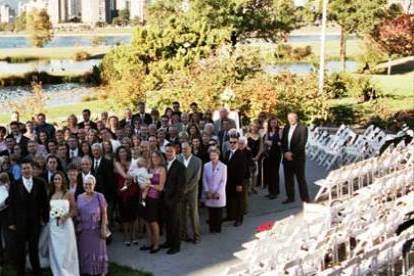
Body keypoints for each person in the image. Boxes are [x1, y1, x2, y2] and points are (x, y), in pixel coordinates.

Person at [7, 160, 49, 276]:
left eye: (28, 168)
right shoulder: (15, 184)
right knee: (20, 250)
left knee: (33, 249)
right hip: (19, 223)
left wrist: (45, 219)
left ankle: (37, 272)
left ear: (32, 169)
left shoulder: (40, 183)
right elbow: (11, 204)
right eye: (24, 168)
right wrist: (11, 222)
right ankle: (21, 272)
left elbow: (44, 203)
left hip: (35, 222)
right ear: (21, 170)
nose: (26, 170)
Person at [48, 171, 79, 276]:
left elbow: (75, 210)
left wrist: (66, 216)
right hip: (54, 227)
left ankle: (70, 272)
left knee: (67, 250)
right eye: (55, 179)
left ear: (63, 180)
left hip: (66, 225)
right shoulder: (50, 193)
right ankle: (58, 272)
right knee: (57, 249)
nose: (57, 181)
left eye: (59, 179)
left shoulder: (68, 193)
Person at [76, 175, 108, 275]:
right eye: (86, 184)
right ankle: (87, 271)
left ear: (94, 185)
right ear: (83, 185)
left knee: (98, 252)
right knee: (85, 251)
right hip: (84, 230)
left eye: (90, 184)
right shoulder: (79, 197)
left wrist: (103, 227)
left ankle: (100, 271)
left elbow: (104, 213)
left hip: (97, 229)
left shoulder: (99, 196)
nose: (88, 186)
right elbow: (77, 212)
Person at [140, 151, 166, 254]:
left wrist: (149, 185)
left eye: (156, 157)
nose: (154, 158)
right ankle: (150, 242)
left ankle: (156, 244)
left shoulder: (162, 169)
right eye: (152, 156)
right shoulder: (149, 169)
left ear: (160, 158)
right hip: (145, 197)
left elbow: (160, 187)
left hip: (154, 199)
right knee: (146, 221)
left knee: (153, 222)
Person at [161, 144, 185, 255]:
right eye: (167, 151)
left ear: (175, 152)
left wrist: (175, 201)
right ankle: (169, 242)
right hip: (164, 199)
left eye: (170, 151)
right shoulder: (164, 165)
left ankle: (176, 245)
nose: (168, 153)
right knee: (168, 222)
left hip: (175, 200)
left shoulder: (180, 166)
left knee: (175, 223)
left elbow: (181, 186)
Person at [281, 112, 310, 204]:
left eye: (292, 118)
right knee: (288, 179)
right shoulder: (286, 128)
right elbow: (283, 142)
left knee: (300, 179)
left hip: (298, 158)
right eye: (289, 118)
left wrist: (292, 154)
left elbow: (302, 143)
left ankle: (305, 199)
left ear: (296, 118)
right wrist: (285, 153)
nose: (291, 120)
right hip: (286, 157)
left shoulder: (303, 128)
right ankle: (290, 197)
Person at [114, 146, 140, 246]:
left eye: (124, 151)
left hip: (133, 191)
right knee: (124, 216)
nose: (123, 153)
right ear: (118, 154)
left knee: (133, 215)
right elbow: (126, 176)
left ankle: (133, 236)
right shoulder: (116, 163)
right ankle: (126, 236)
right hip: (122, 192)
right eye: (120, 152)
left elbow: (136, 175)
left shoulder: (133, 162)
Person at [177, 142, 202, 243]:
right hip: (180, 190)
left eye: (186, 149)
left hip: (192, 190)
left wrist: (186, 189)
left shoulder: (197, 161)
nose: (184, 151)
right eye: (182, 149)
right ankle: (184, 234)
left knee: (193, 212)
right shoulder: (178, 158)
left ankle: (196, 235)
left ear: (190, 148)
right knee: (182, 212)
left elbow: (196, 178)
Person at [223, 135, 248, 227]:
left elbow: (242, 170)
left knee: (238, 201)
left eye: (234, 142)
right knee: (229, 200)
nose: (232, 144)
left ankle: (239, 219)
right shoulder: (227, 153)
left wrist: (239, 184)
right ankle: (230, 216)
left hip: (237, 181)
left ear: (238, 143)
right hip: (228, 181)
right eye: (231, 142)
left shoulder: (241, 154)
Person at [203, 148, 227, 233]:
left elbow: (223, 181)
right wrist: (207, 191)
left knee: (218, 212)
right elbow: (204, 179)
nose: (213, 157)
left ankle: (218, 228)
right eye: (211, 155)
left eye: (215, 155)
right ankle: (211, 228)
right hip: (209, 192)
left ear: (218, 156)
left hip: (218, 193)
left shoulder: (223, 166)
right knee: (211, 211)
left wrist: (218, 192)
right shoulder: (206, 166)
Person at [262, 117, 282, 199]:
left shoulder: (279, 131)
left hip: (276, 154)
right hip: (269, 154)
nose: (273, 124)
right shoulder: (268, 131)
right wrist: (274, 143)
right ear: (270, 123)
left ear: (277, 123)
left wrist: (272, 143)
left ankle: (275, 191)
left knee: (275, 173)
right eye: (272, 122)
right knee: (269, 173)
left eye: (275, 122)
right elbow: (265, 141)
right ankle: (270, 191)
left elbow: (280, 142)